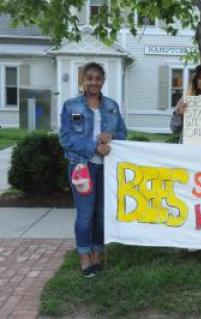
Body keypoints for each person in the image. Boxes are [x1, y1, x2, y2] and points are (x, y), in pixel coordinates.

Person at [59, 62, 127, 277]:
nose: (94, 82)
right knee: (85, 215)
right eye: (90, 78)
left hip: (106, 169)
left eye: (98, 78)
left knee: (100, 216)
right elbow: (65, 138)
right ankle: (85, 257)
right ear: (83, 80)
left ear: (103, 81)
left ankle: (98, 255)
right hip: (82, 167)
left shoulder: (111, 106)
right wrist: (94, 147)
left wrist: (112, 136)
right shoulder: (71, 106)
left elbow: (124, 133)